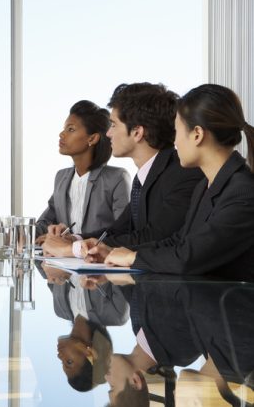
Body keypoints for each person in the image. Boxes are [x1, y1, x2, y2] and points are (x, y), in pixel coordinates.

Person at [104, 84, 254, 279]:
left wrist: (133, 257)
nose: (174, 142)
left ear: (197, 135)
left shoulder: (243, 191)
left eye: (177, 131)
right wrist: (113, 251)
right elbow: (178, 241)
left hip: (234, 306)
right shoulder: (204, 186)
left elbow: (188, 257)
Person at [42, 82, 203, 258]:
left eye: (113, 125)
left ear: (137, 132)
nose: (108, 133)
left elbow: (154, 236)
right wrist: (74, 239)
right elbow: (117, 231)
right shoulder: (144, 176)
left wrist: (75, 249)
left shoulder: (183, 173)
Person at [35, 100, 130, 240]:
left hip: (99, 259)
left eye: (71, 129)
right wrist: (6, 234)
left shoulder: (117, 178)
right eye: (64, 129)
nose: (62, 134)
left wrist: (75, 240)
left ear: (92, 138)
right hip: (63, 260)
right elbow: (45, 223)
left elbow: (123, 231)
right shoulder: (61, 177)